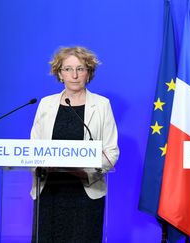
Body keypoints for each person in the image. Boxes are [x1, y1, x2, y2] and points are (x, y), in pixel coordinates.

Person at [30, 46, 119, 242]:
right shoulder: (46, 104)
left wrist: (86, 171)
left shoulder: (102, 105)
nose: (74, 75)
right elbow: (33, 150)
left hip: (85, 194)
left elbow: (111, 153)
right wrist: (40, 166)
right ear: (59, 73)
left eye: (80, 69)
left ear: (89, 73)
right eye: (68, 69)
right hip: (49, 192)